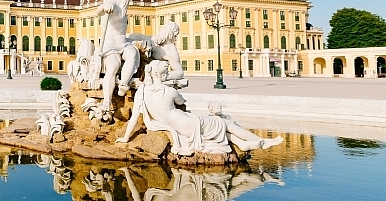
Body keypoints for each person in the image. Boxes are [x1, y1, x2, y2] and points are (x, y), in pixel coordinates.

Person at [117, 60, 283, 154]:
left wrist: (125, 137)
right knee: (225, 124)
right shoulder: (169, 91)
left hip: (178, 125)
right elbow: (182, 102)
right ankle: (260, 141)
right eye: (167, 73)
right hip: (187, 123)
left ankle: (243, 144)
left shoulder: (142, 92)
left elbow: (133, 119)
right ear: (163, 75)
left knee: (220, 130)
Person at [95, 0, 140, 119]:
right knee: (113, 66)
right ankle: (107, 102)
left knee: (133, 54)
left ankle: (123, 85)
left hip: (123, 43)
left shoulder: (124, 7)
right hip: (110, 45)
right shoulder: (113, 3)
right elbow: (97, 11)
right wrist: (104, 5)